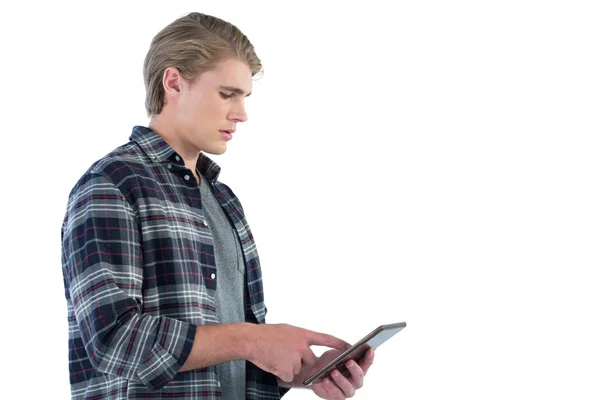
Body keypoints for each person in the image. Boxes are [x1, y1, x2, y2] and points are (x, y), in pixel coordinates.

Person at [61, 12, 375, 400]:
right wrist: (250, 339)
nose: (241, 114)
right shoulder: (112, 185)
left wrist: (293, 371)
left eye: (244, 97)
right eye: (227, 94)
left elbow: (222, 354)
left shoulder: (223, 199)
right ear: (173, 82)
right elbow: (113, 339)